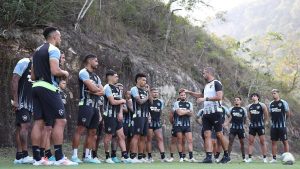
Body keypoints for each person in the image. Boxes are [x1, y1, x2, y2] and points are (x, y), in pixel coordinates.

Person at [30, 27, 77, 165]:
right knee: (61, 121)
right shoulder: (54, 49)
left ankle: (37, 159)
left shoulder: (37, 51)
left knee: (39, 122)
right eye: (60, 37)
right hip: (48, 88)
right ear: (54, 36)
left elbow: (32, 76)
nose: (61, 39)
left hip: (36, 87)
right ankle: (59, 157)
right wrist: (65, 73)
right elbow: (55, 70)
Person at [182, 67, 230, 163]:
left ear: (209, 73)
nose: (202, 74)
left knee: (219, 134)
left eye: (204, 73)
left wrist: (205, 99)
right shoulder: (207, 85)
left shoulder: (217, 83)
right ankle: (208, 157)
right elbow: (201, 95)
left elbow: (219, 97)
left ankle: (226, 155)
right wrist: (189, 92)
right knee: (206, 134)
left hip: (216, 112)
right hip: (206, 113)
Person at [71, 54, 103, 164]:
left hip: (95, 107)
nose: (97, 63)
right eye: (96, 60)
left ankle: (87, 156)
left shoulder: (96, 77)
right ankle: (74, 156)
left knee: (93, 132)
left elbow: (102, 91)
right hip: (85, 104)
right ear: (89, 61)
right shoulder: (83, 72)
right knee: (80, 129)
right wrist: (94, 90)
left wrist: (94, 90)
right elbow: (93, 88)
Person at [102, 70, 131, 163]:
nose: (117, 78)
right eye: (115, 76)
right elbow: (112, 101)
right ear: (109, 77)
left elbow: (120, 102)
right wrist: (122, 101)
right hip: (109, 116)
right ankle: (107, 157)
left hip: (117, 116)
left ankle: (125, 156)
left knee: (121, 136)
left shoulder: (117, 88)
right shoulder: (107, 87)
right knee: (109, 136)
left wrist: (121, 113)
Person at [11, 57, 34, 164]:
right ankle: (25, 155)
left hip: (30, 103)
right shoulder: (24, 61)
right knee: (24, 126)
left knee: (22, 126)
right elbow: (15, 79)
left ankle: (18, 157)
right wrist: (15, 100)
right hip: (21, 101)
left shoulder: (38, 66)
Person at [129, 73, 152, 163]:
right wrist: (147, 96)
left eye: (145, 80)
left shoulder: (145, 91)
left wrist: (148, 91)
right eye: (143, 80)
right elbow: (139, 101)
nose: (145, 82)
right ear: (138, 80)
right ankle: (133, 157)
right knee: (136, 136)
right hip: (138, 116)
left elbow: (151, 102)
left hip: (145, 116)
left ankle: (140, 157)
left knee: (143, 137)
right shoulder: (134, 89)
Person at [172, 91, 197, 163]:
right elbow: (179, 113)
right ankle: (181, 157)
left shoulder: (189, 104)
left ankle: (191, 157)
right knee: (180, 141)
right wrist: (187, 111)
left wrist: (183, 111)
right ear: (179, 96)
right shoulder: (176, 103)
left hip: (187, 125)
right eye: (181, 95)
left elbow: (191, 114)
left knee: (190, 140)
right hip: (178, 125)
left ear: (186, 96)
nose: (183, 96)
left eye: (184, 95)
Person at [245, 93, 269, 163]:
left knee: (262, 142)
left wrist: (264, 123)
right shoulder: (249, 106)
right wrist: (251, 122)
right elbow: (249, 116)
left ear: (258, 97)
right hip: (252, 126)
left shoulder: (262, 105)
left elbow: (266, 115)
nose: (253, 97)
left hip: (260, 126)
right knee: (250, 142)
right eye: (252, 96)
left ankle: (264, 158)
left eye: (254, 96)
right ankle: (249, 158)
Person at [269, 89, 290, 163]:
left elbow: (287, 113)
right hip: (274, 127)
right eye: (272, 93)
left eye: (274, 93)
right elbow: (270, 113)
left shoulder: (283, 103)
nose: (273, 95)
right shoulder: (271, 103)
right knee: (273, 142)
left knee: (285, 141)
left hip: (282, 126)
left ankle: (287, 158)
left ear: (278, 93)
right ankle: (274, 159)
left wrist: (284, 121)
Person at [146, 88, 167, 162]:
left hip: (157, 122)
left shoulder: (161, 101)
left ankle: (163, 157)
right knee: (149, 139)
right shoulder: (148, 101)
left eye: (157, 92)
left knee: (160, 139)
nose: (155, 93)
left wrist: (163, 122)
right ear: (151, 93)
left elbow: (161, 112)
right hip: (149, 123)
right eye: (154, 92)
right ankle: (149, 157)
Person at [227, 97, 247, 162]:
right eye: (235, 100)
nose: (236, 101)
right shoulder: (231, 109)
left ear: (240, 101)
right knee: (230, 142)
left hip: (241, 129)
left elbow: (245, 118)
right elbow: (229, 118)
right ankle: (228, 157)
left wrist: (243, 125)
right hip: (233, 128)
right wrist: (228, 123)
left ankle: (244, 158)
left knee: (242, 143)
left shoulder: (243, 109)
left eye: (237, 100)